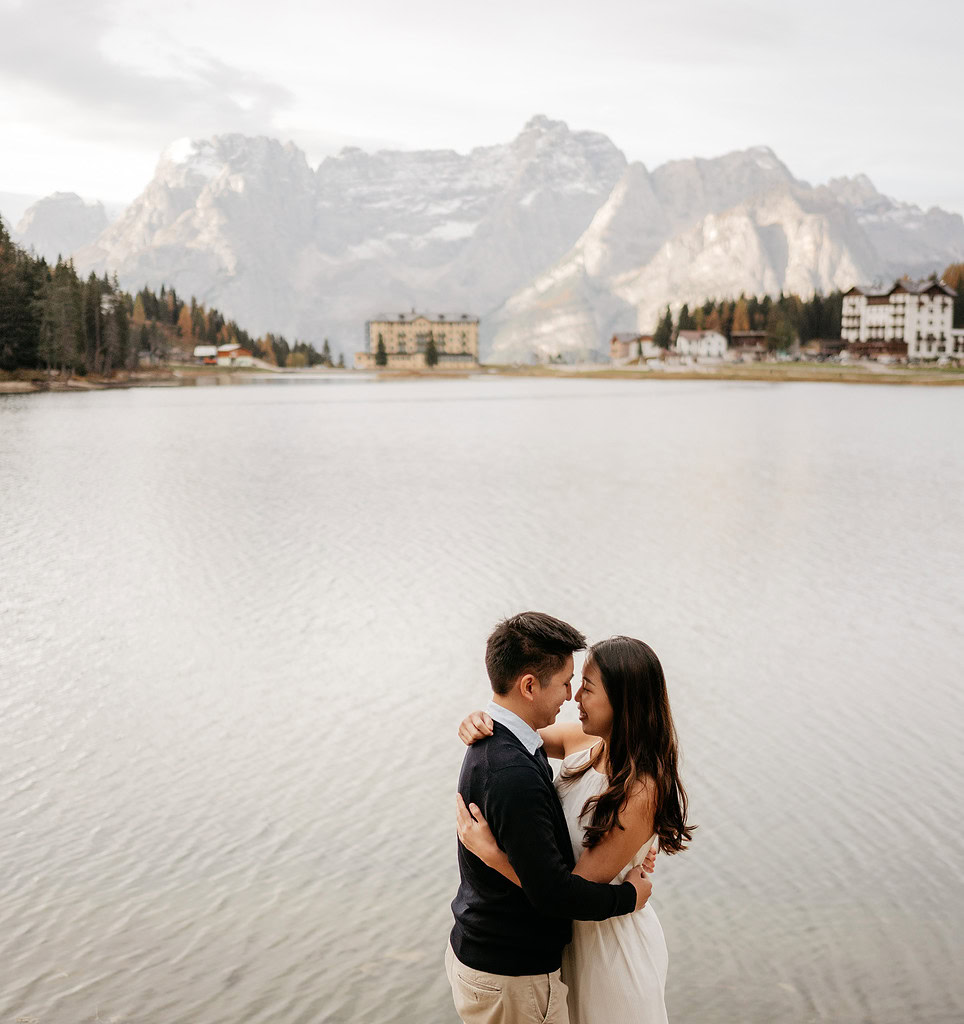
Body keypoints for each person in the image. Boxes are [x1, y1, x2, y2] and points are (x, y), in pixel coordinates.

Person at [456, 634, 693, 1024]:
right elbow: (514, 736)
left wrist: (493, 857)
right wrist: (477, 719)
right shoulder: (581, 741)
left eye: (587, 687)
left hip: (606, 949)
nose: (574, 697)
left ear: (623, 702)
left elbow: (569, 890)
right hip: (556, 944)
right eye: (575, 683)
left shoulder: (642, 789)